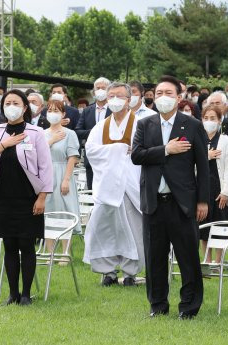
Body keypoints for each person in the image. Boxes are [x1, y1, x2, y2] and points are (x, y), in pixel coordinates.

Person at [131, 75, 209, 319]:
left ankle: (189, 306)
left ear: (179, 97)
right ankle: (158, 305)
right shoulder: (145, 124)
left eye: (169, 93)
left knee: (187, 257)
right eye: (159, 92)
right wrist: (166, 150)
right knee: (155, 258)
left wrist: (202, 200)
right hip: (154, 201)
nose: (163, 97)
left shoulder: (192, 125)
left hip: (182, 202)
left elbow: (203, 166)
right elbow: (137, 155)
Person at [0, 89, 53, 306]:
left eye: (16, 102)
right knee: (9, 245)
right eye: (7, 102)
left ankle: (26, 294)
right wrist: (3, 145)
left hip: (29, 198)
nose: (11, 106)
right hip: (2, 198)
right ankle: (13, 294)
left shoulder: (36, 133)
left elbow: (45, 168)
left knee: (26, 245)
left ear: (25, 108)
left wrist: (42, 197)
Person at [84, 82, 144, 286]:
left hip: (131, 186)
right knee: (104, 229)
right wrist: (118, 149)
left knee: (133, 229)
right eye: (111, 96)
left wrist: (129, 150)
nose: (115, 100)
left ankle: (130, 273)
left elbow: (147, 151)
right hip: (107, 187)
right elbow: (91, 152)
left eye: (120, 96)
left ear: (129, 100)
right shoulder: (100, 127)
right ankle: (107, 271)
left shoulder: (140, 124)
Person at [43, 99, 81, 260]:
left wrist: (66, 180)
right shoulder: (41, 134)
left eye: (56, 110)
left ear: (63, 114)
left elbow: (73, 157)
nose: (53, 113)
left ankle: (65, 252)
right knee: (47, 211)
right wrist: (51, 141)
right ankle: (50, 251)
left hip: (62, 172)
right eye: (50, 110)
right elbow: (36, 154)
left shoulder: (70, 134)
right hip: (45, 175)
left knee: (65, 211)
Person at [200, 105, 228, 263]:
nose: (209, 121)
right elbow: (191, 164)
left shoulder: (225, 140)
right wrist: (206, 156)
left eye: (212, 118)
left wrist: (225, 191)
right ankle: (206, 260)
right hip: (202, 188)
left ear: (220, 121)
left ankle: (219, 261)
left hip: (219, 188)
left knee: (219, 225)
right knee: (203, 225)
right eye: (206, 118)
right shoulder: (198, 139)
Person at [75, 77, 112, 189]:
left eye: (103, 88)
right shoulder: (87, 110)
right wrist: (94, 132)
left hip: (109, 155)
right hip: (91, 155)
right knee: (92, 189)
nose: (100, 90)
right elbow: (78, 131)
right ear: (94, 91)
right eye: (98, 88)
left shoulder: (114, 109)